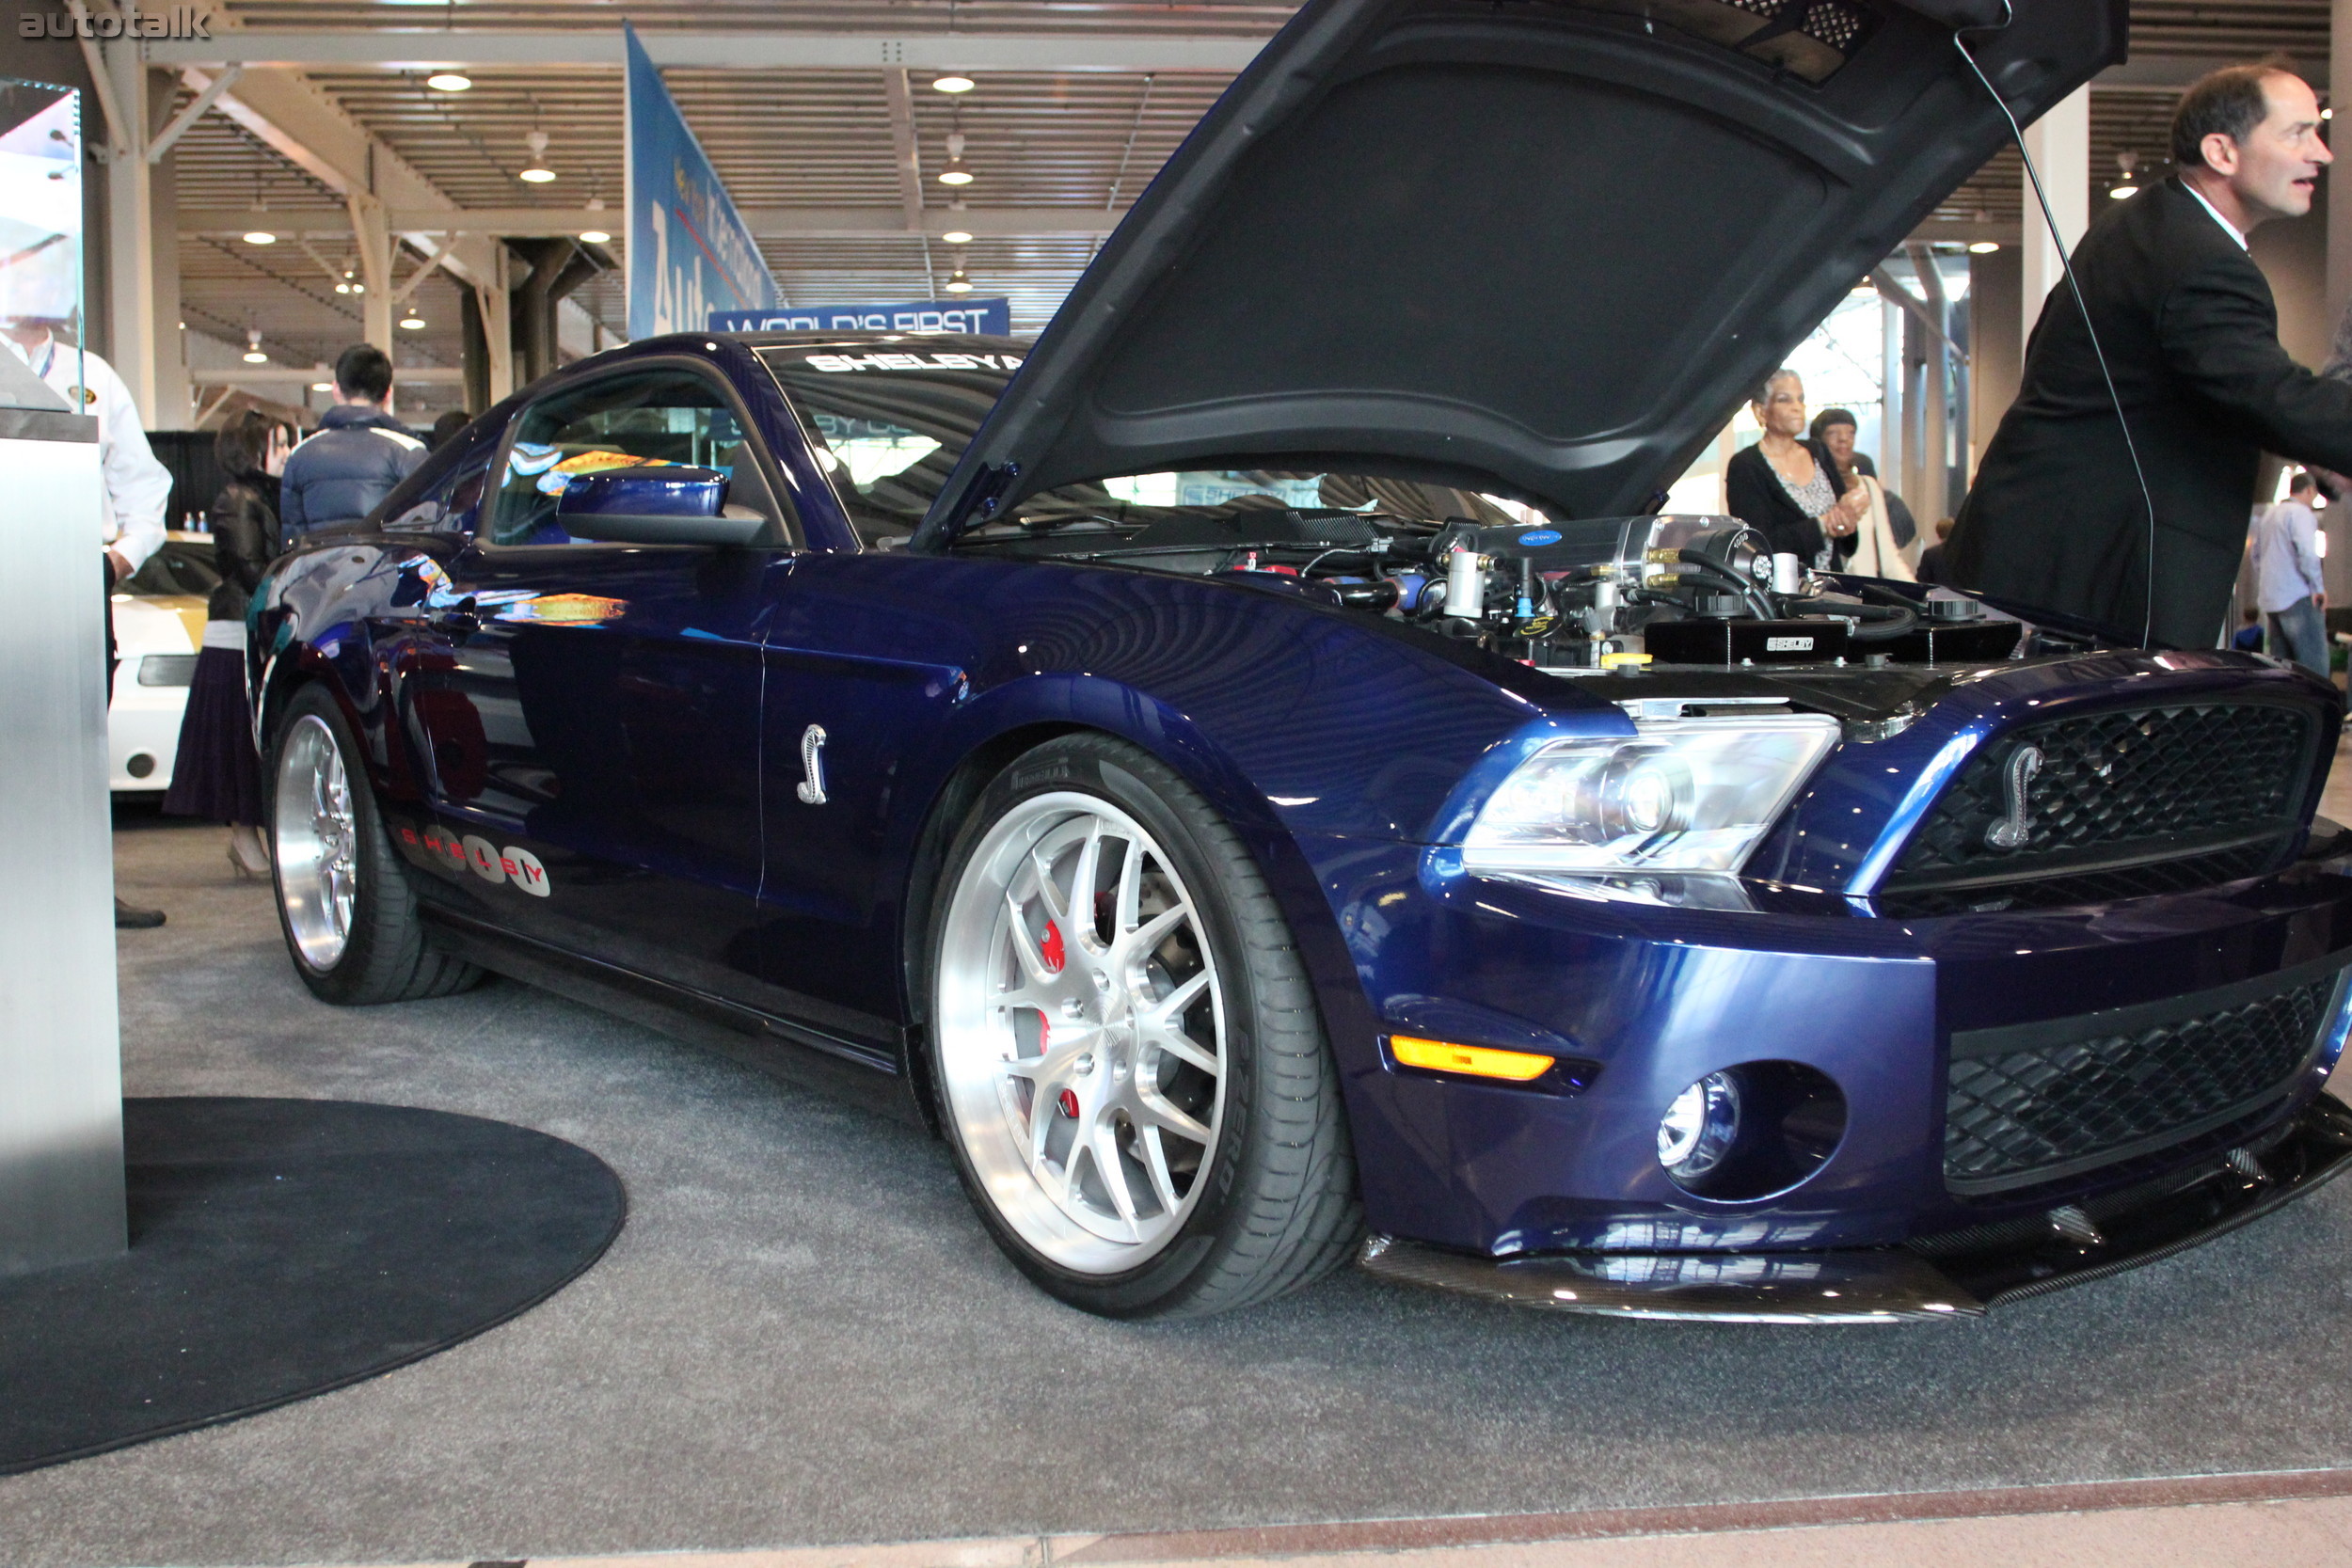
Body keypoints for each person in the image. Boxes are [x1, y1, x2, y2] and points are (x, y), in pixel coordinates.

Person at [1948, 60, 2352, 648]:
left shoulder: (2152, 226)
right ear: (2222, 151)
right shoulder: (2200, 259)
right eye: (2297, 134)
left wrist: (2306, 442)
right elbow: (2265, 393)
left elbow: (2215, 390)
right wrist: (2306, 431)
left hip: (2052, 560)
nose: (2322, 154)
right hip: (2090, 581)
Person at [2, 316, 175, 929]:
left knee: (78, 743)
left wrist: (120, 558)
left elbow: (144, 481)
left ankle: (80, 889)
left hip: (77, 578)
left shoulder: (92, 376)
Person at [164, 410, 285, 875]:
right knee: (238, 742)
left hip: (251, 629)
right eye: (278, 444)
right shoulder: (238, 499)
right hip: (236, 634)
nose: (286, 453)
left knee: (248, 741)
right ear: (253, 451)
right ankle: (242, 836)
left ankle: (250, 838)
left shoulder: (261, 496)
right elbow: (251, 566)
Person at [279, 343, 425, 542]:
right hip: (384, 572)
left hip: (319, 571)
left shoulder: (300, 454)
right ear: (388, 394)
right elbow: (421, 536)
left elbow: (293, 540)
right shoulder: (410, 452)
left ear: (336, 389)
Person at [1724, 370, 1866, 567]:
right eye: (1785, 400)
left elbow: (1848, 544)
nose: (1797, 408)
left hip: (1831, 587)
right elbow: (1757, 545)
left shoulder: (1818, 451)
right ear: (1760, 411)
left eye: (1800, 399)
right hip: (1784, 591)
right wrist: (1823, 525)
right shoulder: (1746, 465)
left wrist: (1848, 516)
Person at [1807, 406, 1915, 580]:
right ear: (1818, 440)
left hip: (1863, 594)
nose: (1844, 439)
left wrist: (1920, 595)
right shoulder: (1810, 484)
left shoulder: (1868, 486)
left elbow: (1888, 557)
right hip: (1823, 591)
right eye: (1833, 433)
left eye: (1850, 433)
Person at [2252, 469, 2329, 675]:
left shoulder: (2268, 515)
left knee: (2283, 672)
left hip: (2272, 602)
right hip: (2297, 598)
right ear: (2310, 490)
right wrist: (2318, 588)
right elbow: (2307, 553)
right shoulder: (2301, 513)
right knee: (2314, 671)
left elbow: (2256, 556)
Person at [1915, 516, 1959, 587]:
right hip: (1962, 596)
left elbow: (1921, 581)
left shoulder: (1929, 554)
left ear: (1938, 534)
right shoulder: (1964, 553)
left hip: (1937, 596)